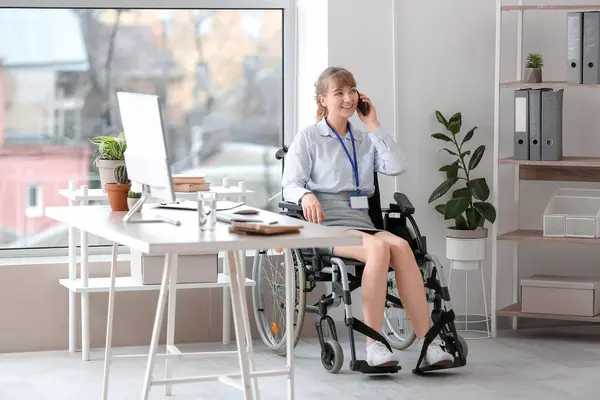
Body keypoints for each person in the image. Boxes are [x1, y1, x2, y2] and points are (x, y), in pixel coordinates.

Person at [281, 66, 454, 368]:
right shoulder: (308, 138)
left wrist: (373, 124)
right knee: (378, 248)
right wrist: (306, 195)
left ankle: (428, 343)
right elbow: (290, 184)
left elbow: (397, 166)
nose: (348, 98)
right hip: (327, 226)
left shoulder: (363, 139)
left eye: (352, 91)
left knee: (400, 246)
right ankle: (374, 345)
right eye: (339, 93)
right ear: (322, 99)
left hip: (362, 223)